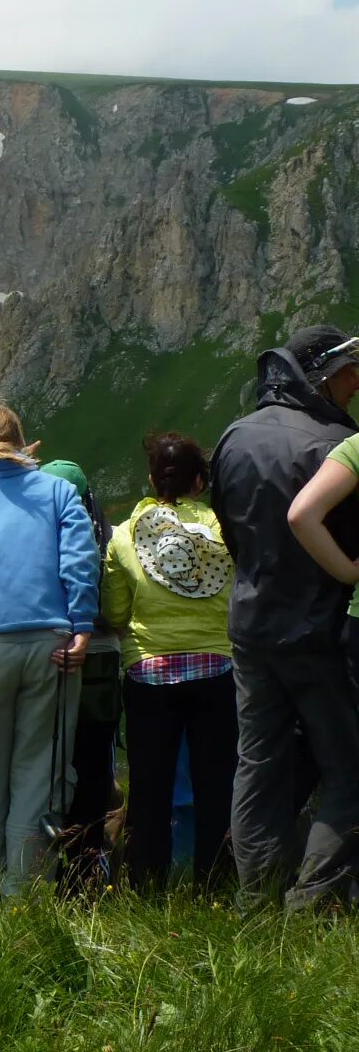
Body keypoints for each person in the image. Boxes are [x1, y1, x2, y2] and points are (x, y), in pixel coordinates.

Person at [215, 326, 359, 908]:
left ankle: (256, 902)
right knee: (347, 767)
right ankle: (314, 898)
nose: (356, 380)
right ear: (323, 375)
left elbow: (230, 532)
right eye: (351, 368)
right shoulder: (337, 440)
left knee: (258, 763)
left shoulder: (233, 436)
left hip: (251, 623)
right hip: (320, 630)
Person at [0, 395, 99, 897]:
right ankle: (22, 904)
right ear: (20, 434)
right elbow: (80, 561)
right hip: (52, 645)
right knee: (38, 776)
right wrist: (82, 628)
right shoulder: (56, 490)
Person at [102, 433, 236, 892]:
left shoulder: (123, 537)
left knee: (150, 788)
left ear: (152, 479)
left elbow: (115, 613)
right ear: (200, 480)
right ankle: (215, 885)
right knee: (216, 785)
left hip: (148, 672)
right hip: (216, 669)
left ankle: (146, 887)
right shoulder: (224, 529)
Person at [39, 459, 123, 893]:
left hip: (45, 662)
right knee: (93, 773)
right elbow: (115, 611)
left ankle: (39, 872)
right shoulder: (106, 540)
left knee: (45, 770)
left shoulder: (33, 536)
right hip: (101, 665)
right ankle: (87, 877)